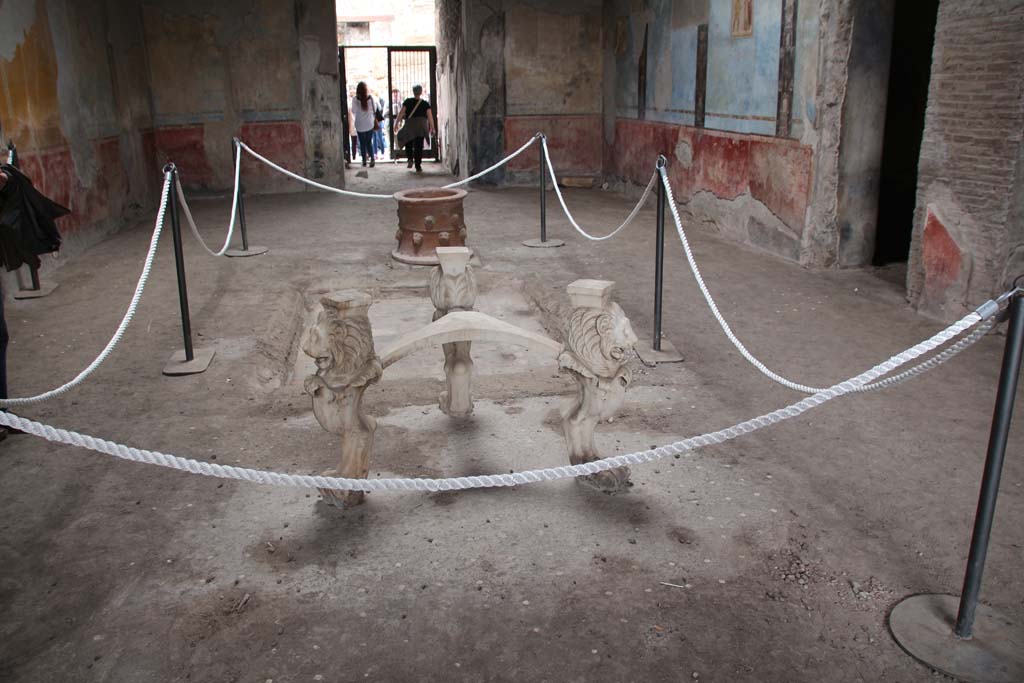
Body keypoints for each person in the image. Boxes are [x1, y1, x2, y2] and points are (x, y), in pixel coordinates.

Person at [394, 84, 435, 173]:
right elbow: (430, 116)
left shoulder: (407, 102)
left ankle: (410, 159)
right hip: (421, 126)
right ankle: (418, 165)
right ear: (420, 92)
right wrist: (432, 127)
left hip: (410, 125)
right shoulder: (425, 104)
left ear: (413, 92)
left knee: (408, 141)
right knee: (419, 145)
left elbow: (401, 113)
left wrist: (396, 123)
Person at [349, 81, 377, 168]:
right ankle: (372, 159)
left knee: (362, 142)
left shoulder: (354, 99)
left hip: (359, 124)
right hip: (369, 124)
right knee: (369, 142)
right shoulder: (371, 98)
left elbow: (353, 111)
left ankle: (364, 160)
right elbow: (375, 109)